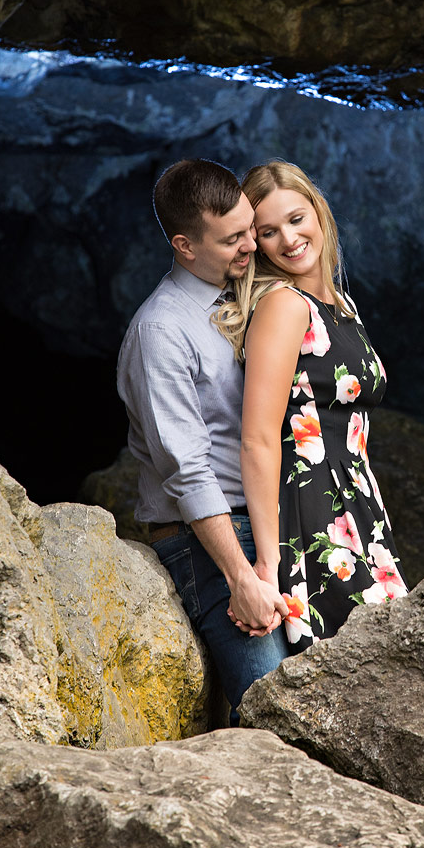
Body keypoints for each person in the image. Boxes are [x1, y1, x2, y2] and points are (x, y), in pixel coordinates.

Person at [117, 158, 289, 724]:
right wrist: (241, 577)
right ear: (185, 246)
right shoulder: (161, 331)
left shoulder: (246, 294)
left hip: (263, 525)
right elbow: (187, 469)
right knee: (273, 704)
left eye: (250, 228)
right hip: (206, 541)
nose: (251, 245)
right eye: (233, 238)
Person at [216, 160, 407, 651]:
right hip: (310, 511)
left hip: (358, 504)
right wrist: (266, 563)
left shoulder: (341, 304)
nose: (289, 239)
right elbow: (258, 438)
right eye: (269, 231)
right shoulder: (284, 305)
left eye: (297, 219)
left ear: (319, 213)